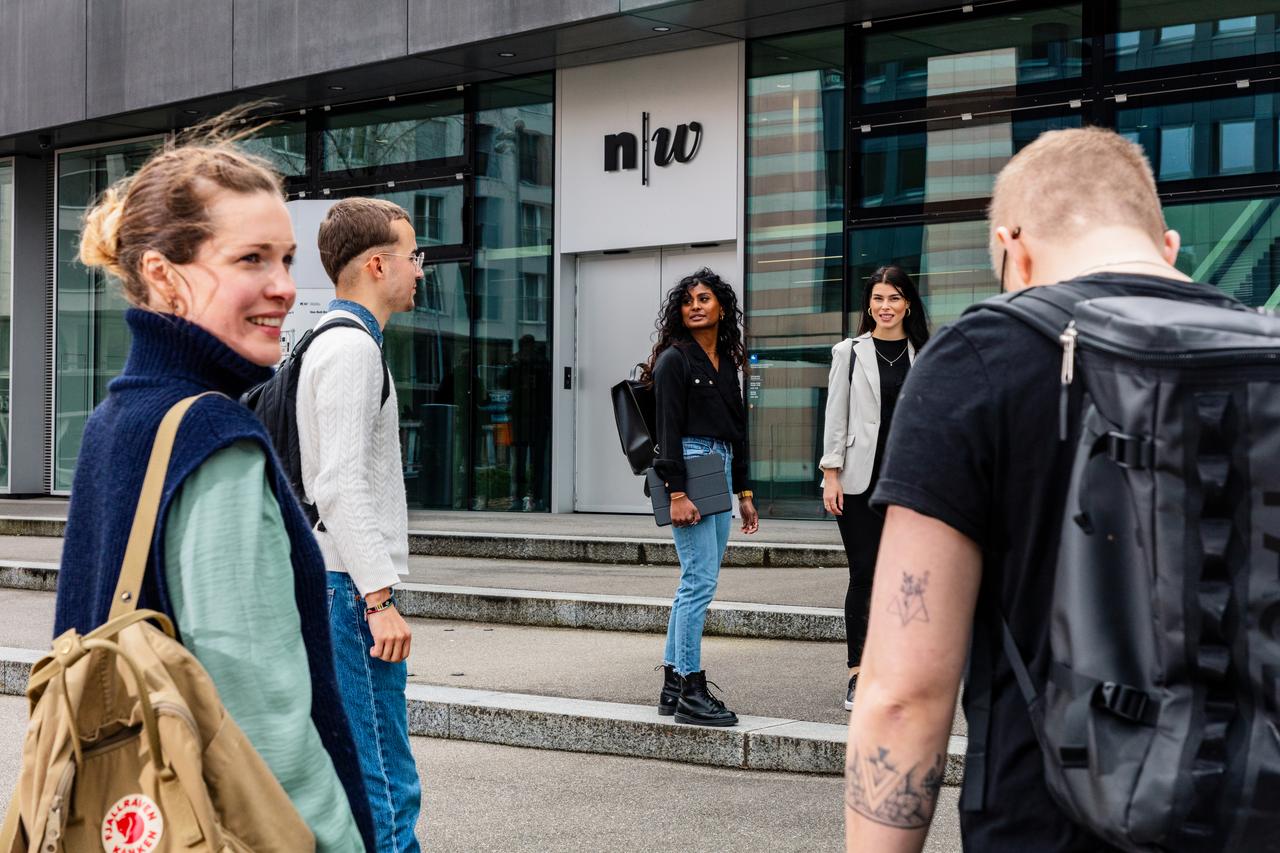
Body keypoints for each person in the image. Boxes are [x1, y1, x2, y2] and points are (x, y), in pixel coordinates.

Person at [842, 127, 1246, 851]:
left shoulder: (975, 359)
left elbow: (902, 696)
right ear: (1168, 249)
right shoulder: (1261, 352)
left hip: (1048, 820)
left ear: (1013, 249)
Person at [51, 124, 374, 851]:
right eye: (250, 258)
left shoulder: (117, 417)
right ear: (163, 274)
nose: (284, 286)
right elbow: (263, 717)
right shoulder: (211, 435)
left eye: (286, 258)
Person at [299, 196, 423, 852]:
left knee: (361, 769)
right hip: (351, 591)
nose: (419, 270)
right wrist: (378, 598)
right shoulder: (351, 349)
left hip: (340, 586)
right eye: (413, 256)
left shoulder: (332, 340)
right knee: (384, 778)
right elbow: (339, 483)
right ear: (377, 264)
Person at [645, 267, 760, 727]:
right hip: (689, 465)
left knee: (696, 581)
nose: (695, 305)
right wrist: (675, 491)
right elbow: (667, 431)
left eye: (704, 298)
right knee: (698, 582)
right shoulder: (675, 360)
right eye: (688, 300)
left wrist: (744, 492)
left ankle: (673, 684)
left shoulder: (728, 363)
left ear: (722, 308)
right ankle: (691, 690)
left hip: (721, 465)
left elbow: (738, 431)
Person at [820, 266, 929, 712]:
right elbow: (835, 414)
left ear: (908, 304)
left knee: (906, 576)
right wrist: (831, 473)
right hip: (858, 482)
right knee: (864, 573)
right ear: (869, 304)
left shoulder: (926, 352)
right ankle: (859, 673)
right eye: (879, 298)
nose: (886, 306)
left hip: (910, 481)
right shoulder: (849, 352)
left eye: (894, 298)